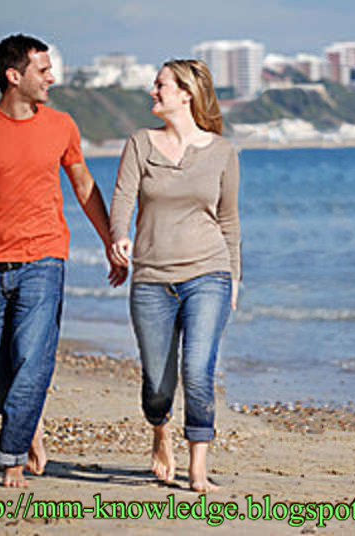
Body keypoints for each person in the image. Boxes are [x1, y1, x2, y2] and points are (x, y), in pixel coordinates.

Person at [0, 33, 126, 488]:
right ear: (14, 76)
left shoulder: (61, 125)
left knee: (33, 359)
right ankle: (27, 424)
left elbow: (84, 186)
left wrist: (111, 241)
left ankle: (13, 455)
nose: (51, 78)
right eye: (43, 70)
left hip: (44, 259)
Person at [109, 59, 240, 493]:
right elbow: (123, 198)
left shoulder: (222, 152)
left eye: (160, 84)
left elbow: (229, 220)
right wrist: (118, 238)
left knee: (199, 370)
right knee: (157, 385)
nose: (153, 91)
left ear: (186, 93)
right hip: (151, 279)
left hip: (209, 274)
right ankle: (160, 431)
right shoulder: (140, 143)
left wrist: (234, 278)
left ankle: (198, 467)